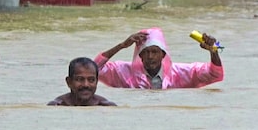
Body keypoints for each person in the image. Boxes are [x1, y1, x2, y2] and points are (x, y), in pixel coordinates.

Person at [95, 27, 223, 89]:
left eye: (155, 52)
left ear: (163, 55)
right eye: (146, 52)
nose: (151, 57)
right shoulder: (124, 72)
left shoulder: (180, 73)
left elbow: (214, 74)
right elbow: (94, 69)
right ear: (140, 56)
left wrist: (214, 50)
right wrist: (121, 46)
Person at [49, 57, 117, 106]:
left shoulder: (106, 106)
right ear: (69, 82)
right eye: (79, 79)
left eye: (91, 80)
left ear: (96, 82)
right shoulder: (57, 105)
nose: (86, 85)